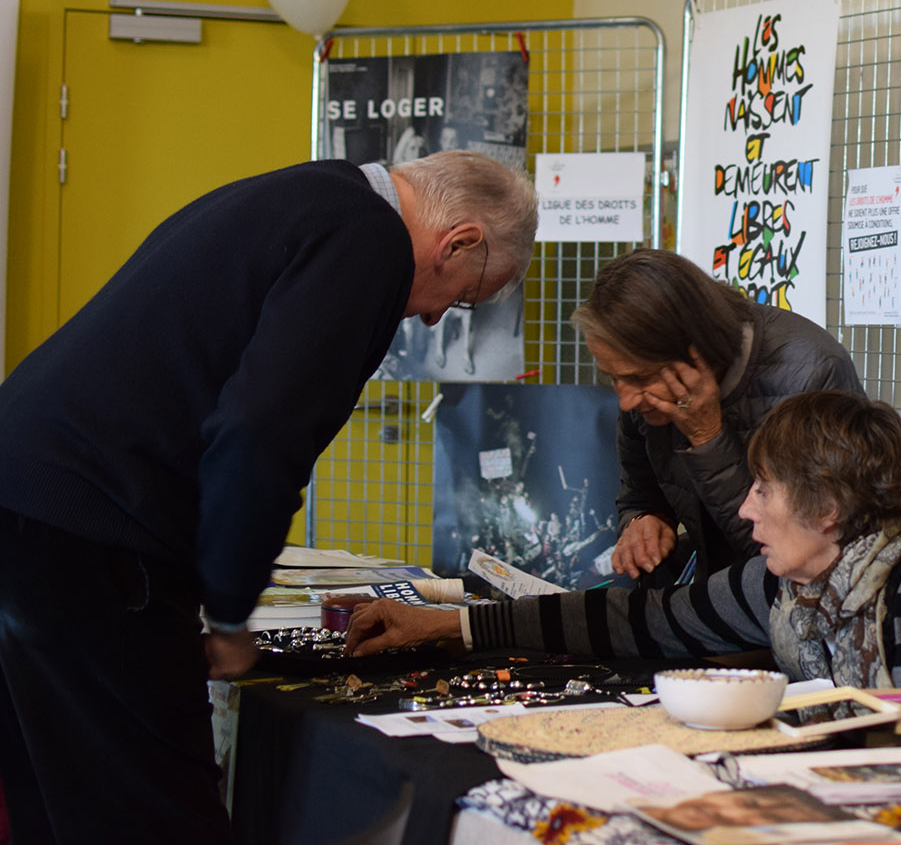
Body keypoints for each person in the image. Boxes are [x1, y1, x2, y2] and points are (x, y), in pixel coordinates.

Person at [0, 150, 538, 843]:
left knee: (62, 793)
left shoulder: (318, 191)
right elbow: (260, 435)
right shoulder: (368, 240)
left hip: (29, 494)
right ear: (459, 240)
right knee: (156, 809)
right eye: (464, 297)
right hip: (93, 529)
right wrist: (227, 612)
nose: (436, 320)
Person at [347, 390, 901, 770]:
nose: (746, 507)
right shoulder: (791, 587)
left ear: (828, 510)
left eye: (766, 488)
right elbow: (633, 622)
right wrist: (450, 627)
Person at [575, 250, 863, 584]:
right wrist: (644, 520)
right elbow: (640, 494)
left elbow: (797, 563)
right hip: (718, 591)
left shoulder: (812, 375)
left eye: (640, 378)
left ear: (697, 350)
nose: (625, 400)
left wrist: (708, 438)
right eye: (613, 377)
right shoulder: (645, 391)